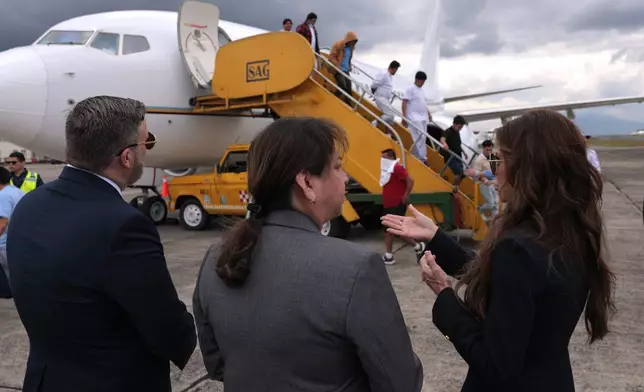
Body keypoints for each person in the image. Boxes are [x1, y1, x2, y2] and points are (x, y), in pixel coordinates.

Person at [382, 109, 616, 391]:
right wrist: (435, 236)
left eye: (502, 158)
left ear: (528, 167)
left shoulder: (518, 248)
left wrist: (445, 297)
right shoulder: (569, 231)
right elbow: (507, 281)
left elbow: (496, 366)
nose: (496, 166)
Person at [193, 117, 423, 392]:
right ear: (306, 182)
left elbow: (217, 365)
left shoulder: (216, 258)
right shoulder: (356, 268)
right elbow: (400, 382)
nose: (345, 177)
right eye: (337, 166)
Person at [7, 96, 197, 392]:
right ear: (127, 157)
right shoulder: (124, 225)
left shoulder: (29, 205)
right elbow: (168, 330)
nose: (147, 152)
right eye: (147, 143)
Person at [380, 149, 425, 265]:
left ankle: (417, 246)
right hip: (389, 204)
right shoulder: (387, 170)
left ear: (390, 157)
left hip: (396, 204)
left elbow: (410, 180)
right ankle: (389, 255)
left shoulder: (397, 168)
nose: (382, 160)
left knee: (397, 230)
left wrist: (406, 195)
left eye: (384, 157)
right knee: (388, 230)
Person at [0, 166, 24, 290]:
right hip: (18, 242)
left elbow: (2, 223)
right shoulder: (16, 191)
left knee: (11, 281)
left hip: (4, 245)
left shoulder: (3, 196)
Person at [402, 71, 431, 164]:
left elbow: (423, 103)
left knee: (423, 137)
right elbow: (404, 102)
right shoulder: (410, 89)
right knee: (420, 136)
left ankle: (416, 155)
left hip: (423, 117)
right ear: (417, 80)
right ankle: (423, 158)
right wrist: (404, 116)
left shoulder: (421, 90)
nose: (423, 84)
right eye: (422, 81)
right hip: (414, 117)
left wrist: (429, 114)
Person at [329, 31, 359, 104]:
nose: (353, 43)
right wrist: (337, 65)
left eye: (354, 41)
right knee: (342, 85)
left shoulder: (351, 49)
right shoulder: (338, 45)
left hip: (346, 70)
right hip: (338, 70)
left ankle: (348, 104)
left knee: (349, 88)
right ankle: (333, 99)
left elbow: (347, 59)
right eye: (352, 41)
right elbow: (332, 56)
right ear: (349, 39)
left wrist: (350, 66)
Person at [371, 60, 400, 129]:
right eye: (396, 70)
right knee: (390, 115)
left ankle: (388, 134)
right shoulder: (383, 73)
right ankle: (375, 122)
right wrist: (375, 95)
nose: (396, 72)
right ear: (394, 68)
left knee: (390, 119)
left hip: (385, 99)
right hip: (380, 98)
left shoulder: (389, 75)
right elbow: (374, 85)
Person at [440, 115, 468, 185]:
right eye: (459, 127)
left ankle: (456, 187)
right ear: (454, 124)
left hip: (458, 155)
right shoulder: (448, 131)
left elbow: (458, 144)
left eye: (461, 127)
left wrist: (464, 152)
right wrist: (444, 144)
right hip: (450, 157)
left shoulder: (457, 132)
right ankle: (454, 188)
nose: (460, 129)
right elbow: (442, 138)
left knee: (463, 174)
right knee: (458, 173)